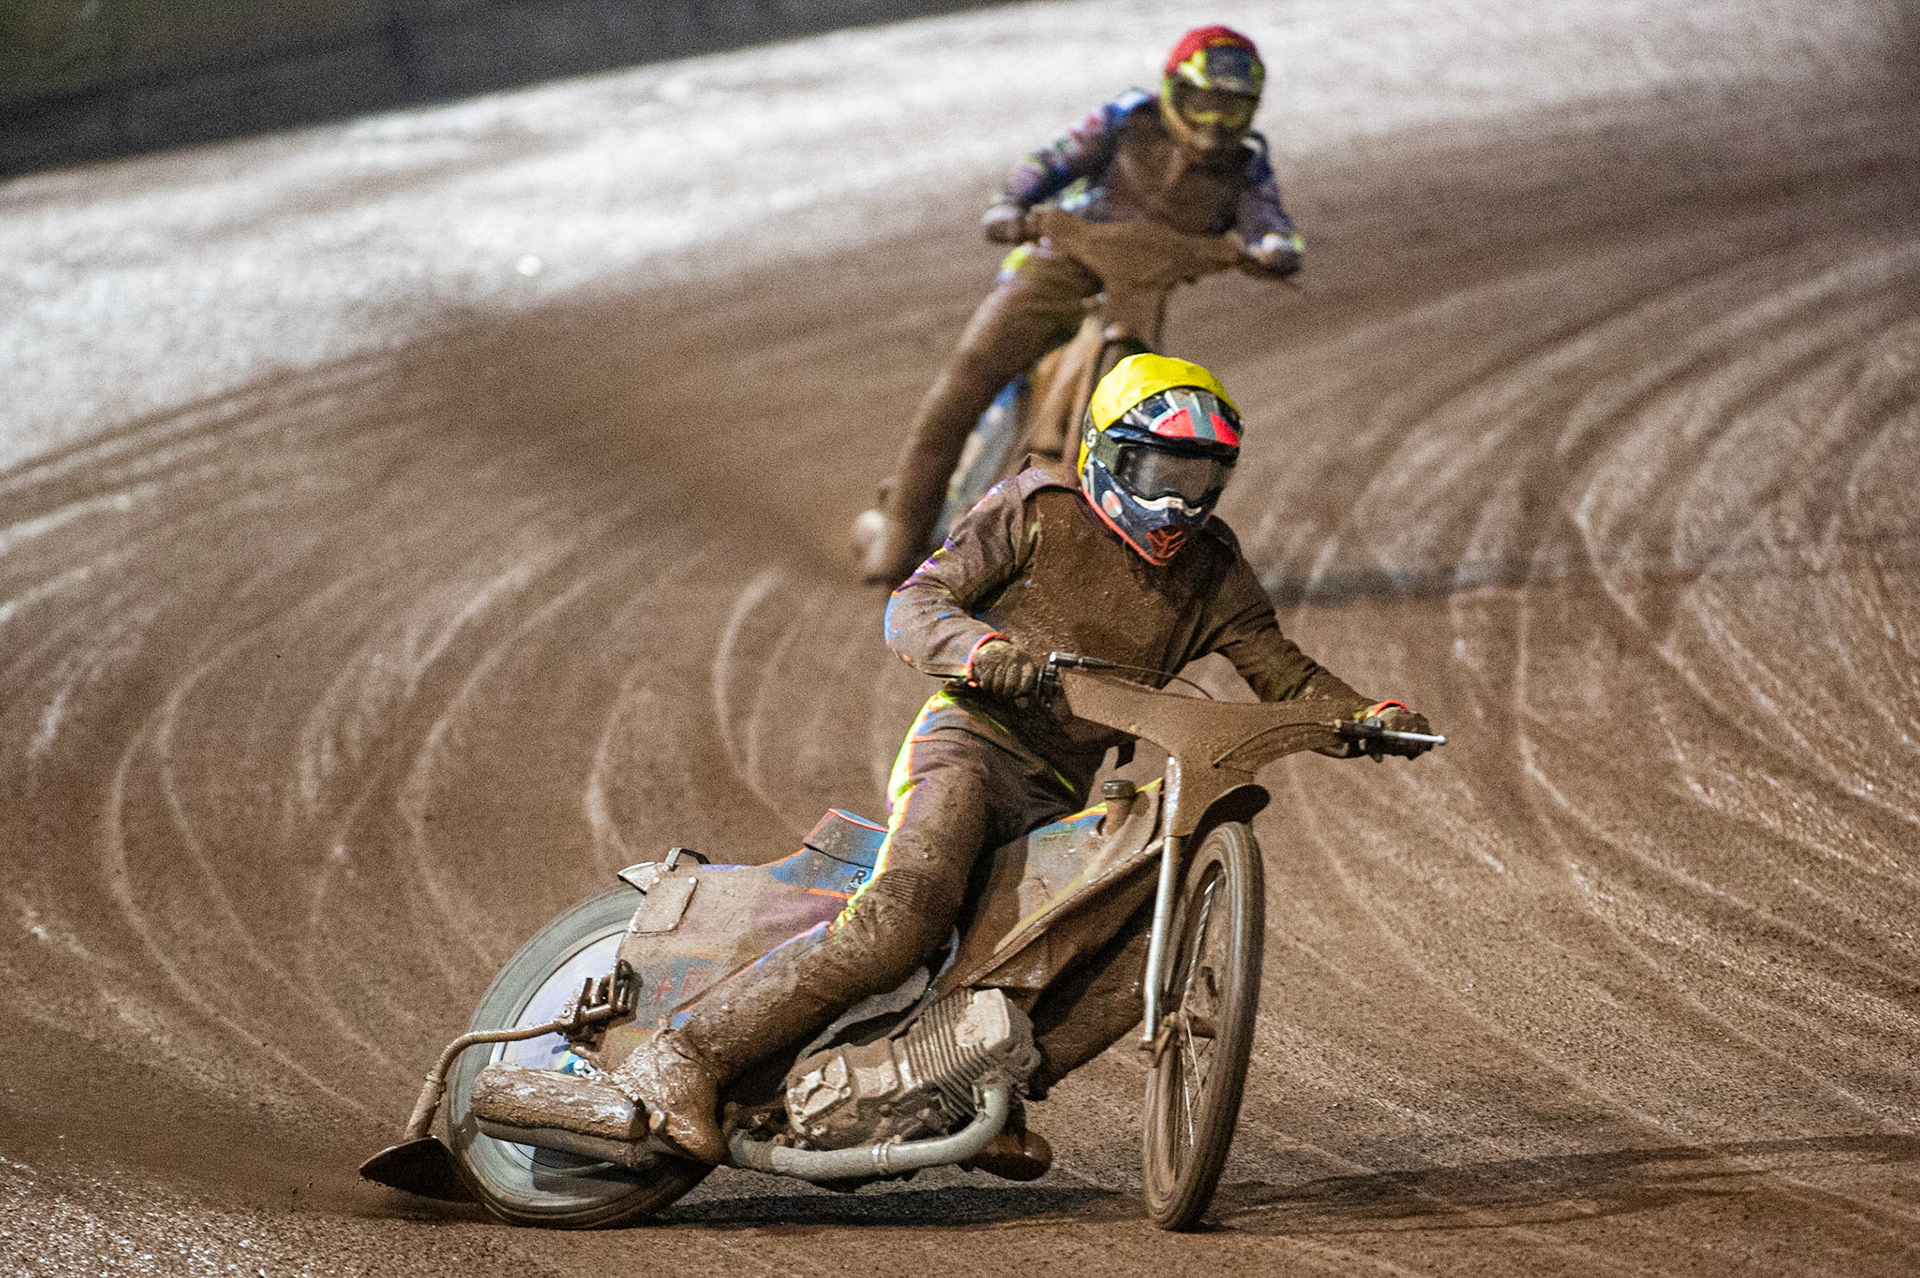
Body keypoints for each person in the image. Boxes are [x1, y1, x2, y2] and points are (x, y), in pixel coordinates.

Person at [598, 354, 1434, 1172]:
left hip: (1062, 793)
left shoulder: (1214, 570)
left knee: (1123, 942)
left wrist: (1365, 717)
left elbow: (1286, 676)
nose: (1177, 501)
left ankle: (972, 1093)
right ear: (1106, 455)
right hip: (967, 745)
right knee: (903, 922)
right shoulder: (1035, 510)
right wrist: (981, 650)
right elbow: (915, 603)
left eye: (1199, 479)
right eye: (1158, 472)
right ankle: (685, 1057)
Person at [854, 25, 1309, 585]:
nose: (1215, 121)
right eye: (1203, 102)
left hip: (1139, 296)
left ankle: (1103, 557)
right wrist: (1011, 202)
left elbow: (1272, 222)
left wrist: (1275, 247)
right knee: (968, 379)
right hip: (1056, 267)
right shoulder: (1128, 119)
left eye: (1231, 108)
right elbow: (1052, 160)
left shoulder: (1248, 165)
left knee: (1142, 426)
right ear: (1174, 89)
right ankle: (901, 532)